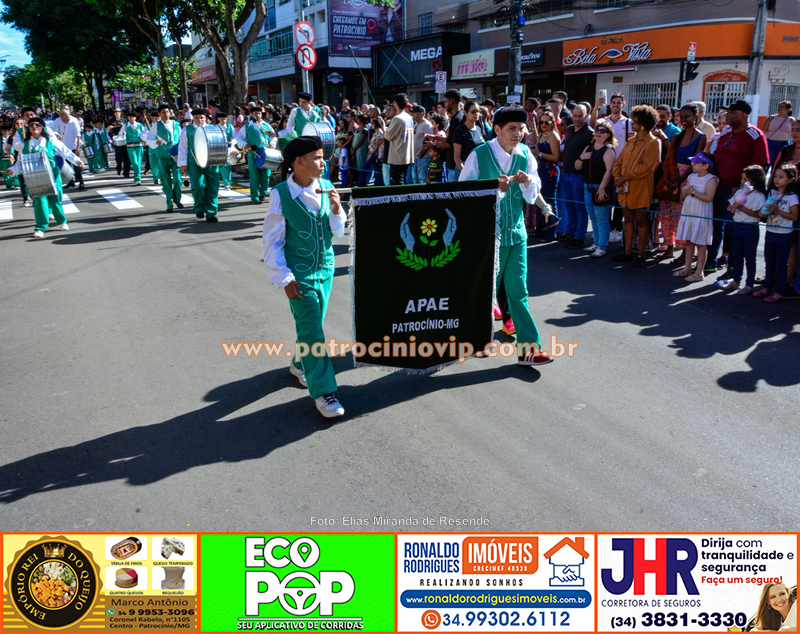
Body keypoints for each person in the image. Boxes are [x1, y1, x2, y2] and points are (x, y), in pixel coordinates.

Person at [459, 106, 552, 366]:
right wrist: (492, 188)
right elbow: (463, 196)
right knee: (483, 292)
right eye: (511, 128)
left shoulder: (525, 154)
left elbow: (533, 192)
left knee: (519, 291)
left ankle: (529, 350)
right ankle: (474, 339)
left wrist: (526, 183)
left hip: (516, 233)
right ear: (497, 129)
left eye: (521, 128)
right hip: (487, 236)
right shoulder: (479, 155)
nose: (518, 134)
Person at [262, 136, 346, 418]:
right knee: (313, 329)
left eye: (323, 157)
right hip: (299, 272)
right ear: (299, 162)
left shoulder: (326, 186)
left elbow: (337, 232)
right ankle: (324, 391)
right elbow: (272, 242)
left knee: (313, 324)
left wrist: (336, 209)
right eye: (318, 157)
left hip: (326, 267)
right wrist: (284, 279)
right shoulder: (281, 195)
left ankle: (299, 363)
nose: (324, 163)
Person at [708, 99, 770, 272]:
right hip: (717, 188)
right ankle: (710, 261)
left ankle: (734, 269)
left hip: (736, 193)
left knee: (733, 230)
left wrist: (741, 189)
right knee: (714, 226)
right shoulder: (726, 131)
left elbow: (760, 168)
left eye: (732, 114)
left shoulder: (756, 135)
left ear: (743, 116)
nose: (727, 116)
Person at [5, 117, 84, 237]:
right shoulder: (24, 145)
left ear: (42, 128)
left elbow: (65, 151)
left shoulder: (50, 140)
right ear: (29, 129)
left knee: (55, 198)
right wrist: (12, 170)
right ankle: (40, 228)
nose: (34, 127)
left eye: (37, 125)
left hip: (53, 174)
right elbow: (20, 162)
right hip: (34, 177)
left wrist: (77, 160)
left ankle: (62, 221)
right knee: (39, 200)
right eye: (31, 125)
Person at [611, 105, 662, 267]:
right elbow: (619, 161)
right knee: (628, 219)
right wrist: (617, 175)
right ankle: (627, 252)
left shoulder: (653, 142)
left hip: (640, 187)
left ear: (644, 124)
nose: (632, 123)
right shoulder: (631, 140)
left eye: (635, 121)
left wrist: (623, 177)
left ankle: (641, 254)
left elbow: (645, 168)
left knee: (641, 220)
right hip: (624, 186)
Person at [657, 104, 707, 261]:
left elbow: (696, 162)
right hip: (671, 176)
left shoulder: (701, 136)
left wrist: (680, 180)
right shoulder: (678, 136)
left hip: (687, 178)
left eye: (687, 117)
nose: (684, 120)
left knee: (682, 216)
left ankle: (685, 251)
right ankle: (669, 247)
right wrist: (667, 177)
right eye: (681, 117)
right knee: (666, 213)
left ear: (695, 117)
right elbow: (668, 158)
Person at [716, 165, 768, 294]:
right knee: (737, 255)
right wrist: (732, 207)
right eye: (742, 179)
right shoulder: (740, 192)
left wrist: (740, 206)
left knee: (750, 258)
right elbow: (731, 208)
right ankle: (736, 281)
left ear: (754, 181)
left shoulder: (759, 196)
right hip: (737, 226)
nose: (742, 182)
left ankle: (749, 284)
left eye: (745, 179)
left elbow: (757, 214)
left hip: (750, 228)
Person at [753, 163, 799, 302]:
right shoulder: (772, 193)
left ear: (790, 179)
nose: (777, 180)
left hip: (784, 235)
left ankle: (779, 291)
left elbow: (794, 216)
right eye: (776, 177)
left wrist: (777, 211)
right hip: (770, 231)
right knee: (769, 261)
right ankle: (767, 287)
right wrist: (764, 212)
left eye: (781, 177)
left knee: (781, 264)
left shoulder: (792, 197)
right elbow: (765, 211)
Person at [672, 153, 719, 282]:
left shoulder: (711, 179)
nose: (693, 165)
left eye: (696, 163)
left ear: (706, 165)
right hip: (689, 212)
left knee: (701, 243)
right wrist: (685, 192)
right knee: (689, 241)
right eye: (693, 162)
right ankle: (687, 268)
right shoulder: (691, 177)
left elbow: (709, 198)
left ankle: (699, 272)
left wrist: (692, 193)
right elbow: (684, 195)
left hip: (701, 215)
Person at [576, 121, 617, 256]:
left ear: (608, 134)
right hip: (587, 186)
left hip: (600, 188)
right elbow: (577, 166)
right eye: (597, 130)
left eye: (602, 131)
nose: (598, 133)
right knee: (593, 217)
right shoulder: (589, 147)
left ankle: (602, 247)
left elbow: (609, 171)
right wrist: (582, 157)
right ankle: (596, 243)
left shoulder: (608, 149)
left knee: (602, 218)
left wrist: (602, 187)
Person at [557, 104, 594, 249]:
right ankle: (570, 232)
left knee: (580, 207)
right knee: (569, 205)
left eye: (580, 116)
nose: (577, 118)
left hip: (579, 175)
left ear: (586, 116)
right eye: (575, 115)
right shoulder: (570, 129)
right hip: (566, 173)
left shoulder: (589, 133)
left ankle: (579, 236)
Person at [177, 109, 220, 223]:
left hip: (211, 162)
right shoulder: (187, 129)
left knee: (213, 188)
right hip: (194, 162)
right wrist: (182, 163)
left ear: (205, 118)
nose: (199, 120)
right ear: (193, 118)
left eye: (201, 117)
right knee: (197, 186)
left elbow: (221, 145)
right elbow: (183, 147)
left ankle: (211, 213)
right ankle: (199, 207)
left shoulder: (213, 129)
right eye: (196, 118)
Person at [142, 104, 184, 213]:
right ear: (160, 114)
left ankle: (177, 199)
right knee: (166, 180)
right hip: (162, 155)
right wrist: (156, 142)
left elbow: (181, 139)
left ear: (170, 113)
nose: (166, 114)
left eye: (167, 112)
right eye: (163, 112)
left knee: (178, 180)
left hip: (175, 155)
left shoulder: (176, 125)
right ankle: (169, 203)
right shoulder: (156, 126)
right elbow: (148, 138)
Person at [531, 109, 561, 242]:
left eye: (546, 123)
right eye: (541, 122)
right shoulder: (542, 134)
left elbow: (556, 157)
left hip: (550, 171)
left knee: (549, 201)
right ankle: (540, 230)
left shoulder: (553, 136)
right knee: (540, 200)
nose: (543, 125)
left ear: (552, 123)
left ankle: (550, 233)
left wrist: (540, 154)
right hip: (540, 170)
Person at [237, 107, 277, 204]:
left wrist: (272, 144)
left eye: (259, 113)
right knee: (254, 176)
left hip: (266, 154)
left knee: (266, 175)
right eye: (255, 113)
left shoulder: (267, 125)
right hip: (253, 154)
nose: (257, 115)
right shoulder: (246, 127)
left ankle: (263, 193)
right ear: (251, 114)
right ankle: (254, 197)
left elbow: (273, 137)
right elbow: (238, 137)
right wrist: (245, 145)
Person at [383, 93, 414, 185]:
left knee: (397, 183)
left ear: (396, 103)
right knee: (403, 180)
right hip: (407, 155)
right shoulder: (409, 117)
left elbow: (388, 136)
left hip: (398, 155)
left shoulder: (397, 118)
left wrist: (384, 128)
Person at [50, 107, 85, 190]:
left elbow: (78, 136)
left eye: (62, 117)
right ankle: (70, 182)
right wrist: (56, 133)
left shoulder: (74, 121)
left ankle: (81, 181)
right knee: (66, 166)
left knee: (76, 165)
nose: (61, 119)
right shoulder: (58, 120)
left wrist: (78, 148)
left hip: (73, 146)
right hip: (63, 146)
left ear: (65, 116)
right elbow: (51, 131)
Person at [452, 100, 488, 173]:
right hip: (466, 169)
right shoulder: (460, 130)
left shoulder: (479, 128)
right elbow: (457, 157)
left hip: (480, 168)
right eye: (473, 112)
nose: (476, 114)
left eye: (478, 111)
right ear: (465, 112)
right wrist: (465, 172)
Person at [114, 111, 145, 185]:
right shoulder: (126, 125)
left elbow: (144, 134)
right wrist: (123, 133)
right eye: (129, 117)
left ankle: (137, 177)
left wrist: (145, 139)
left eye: (132, 117)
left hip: (139, 145)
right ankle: (137, 177)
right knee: (134, 161)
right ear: (128, 118)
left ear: (135, 118)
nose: (131, 118)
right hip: (130, 146)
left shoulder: (140, 125)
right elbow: (120, 134)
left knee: (139, 162)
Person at [763, 101, 795, 165]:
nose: (779, 108)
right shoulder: (771, 118)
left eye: (782, 107)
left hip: (784, 144)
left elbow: (794, 133)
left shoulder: (791, 120)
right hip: (771, 143)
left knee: (779, 164)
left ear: (787, 109)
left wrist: (793, 144)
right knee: (768, 163)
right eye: (779, 106)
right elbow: (763, 131)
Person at [411, 105, 433, 185]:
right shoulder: (416, 124)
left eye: (415, 113)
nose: (413, 114)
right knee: (415, 181)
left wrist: (421, 154)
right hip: (416, 158)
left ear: (421, 113)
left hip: (423, 158)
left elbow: (429, 140)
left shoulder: (427, 124)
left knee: (422, 181)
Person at [107, 107, 130, 178]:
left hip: (124, 140)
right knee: (119, 157)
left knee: (127, 157)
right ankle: (119, 167)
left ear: (120, 112)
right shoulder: (111, 120)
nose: (117, 113)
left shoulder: (124, 120)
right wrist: (109, 128)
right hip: (116, 140)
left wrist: (125, 132)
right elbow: (106, 131)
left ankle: (126, 172)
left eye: (118, 111)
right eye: (115, 111)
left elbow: (128, 129)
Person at [217, 112, 235, 190]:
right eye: (222, 119)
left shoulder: (230, 126)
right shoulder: (216, 127)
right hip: (220, 148)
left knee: (229, 165)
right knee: (223, 166)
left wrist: (233, 142)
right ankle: (226, 183)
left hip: (229, 148)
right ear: (218, 119)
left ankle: (228, 181)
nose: (224, 121)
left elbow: (235, 137)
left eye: (225, 119)